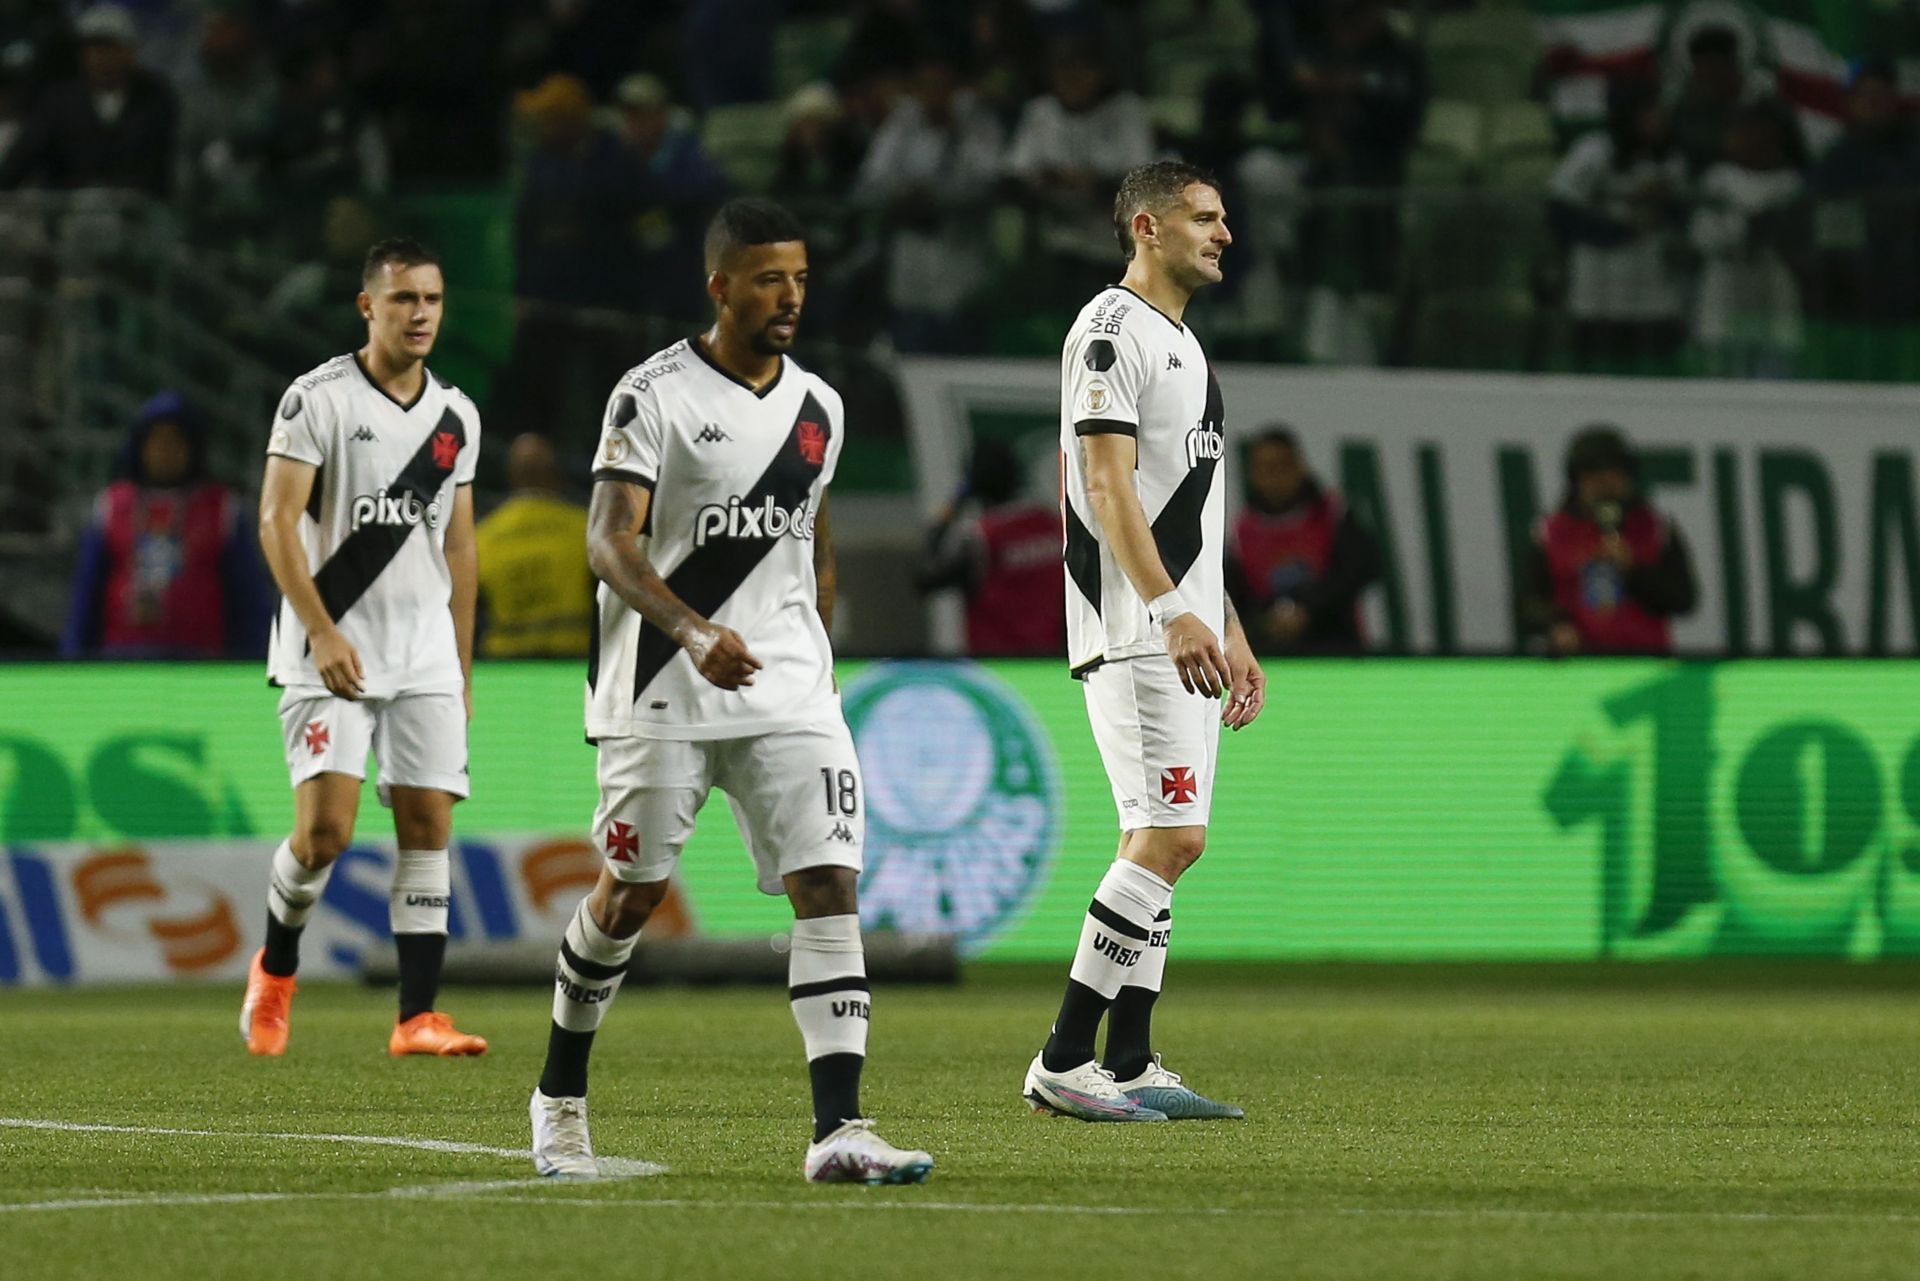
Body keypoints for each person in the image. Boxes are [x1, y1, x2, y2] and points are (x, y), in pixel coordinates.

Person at [527, 199, 933, 1185]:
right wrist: (693, 628)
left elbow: (814, 541)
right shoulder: (652, 395)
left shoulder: (821, 406)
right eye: (767, 279)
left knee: (829, 884)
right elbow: (607, 540)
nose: (789, 297)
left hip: (788, 690)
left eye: (798, 278)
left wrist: (814, 651)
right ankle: (558, 1099)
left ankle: (838, 1130)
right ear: (719, 286)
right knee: (631, 898)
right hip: (664, 681)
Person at [1025, 160, 1264, 1123]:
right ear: (1147, 227)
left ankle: (1129, 1058)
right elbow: (1105, 485)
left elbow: (1187, 510)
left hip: (1182, 627)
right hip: (1136, 631)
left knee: (1159, 844)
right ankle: (1062, 1058)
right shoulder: (1111, 331)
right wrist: (1169, 613)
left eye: (1224, 218)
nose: (1224, 233)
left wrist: (1231, 626)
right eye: (1204, 218)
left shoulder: (1185, 346)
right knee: (1171, 838)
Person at [241, 237, 488, 1059]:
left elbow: (458, 549)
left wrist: (459, 666)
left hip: (421, 651)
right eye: (404, 299)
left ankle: (417, 1015)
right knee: (325, 837)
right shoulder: (317, 400)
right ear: (368, 307)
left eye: (433, 300)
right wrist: (319, 628)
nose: (420, 314)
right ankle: (275, 968)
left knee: (428, 826)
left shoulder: (457, 418)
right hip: (330, 643)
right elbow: (277, 521)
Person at [63, 391, 271, 659]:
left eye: (176, 442)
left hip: (202, 665)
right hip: (120, 662)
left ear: (193, 448)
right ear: (140, 447)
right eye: (156, 441)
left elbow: (248, 601)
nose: (165, 451)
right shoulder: (111, 506)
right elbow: (86, 596)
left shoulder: (222, 510)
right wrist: (71, 660)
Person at [852, 47, 1005, 352]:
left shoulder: (978, 125)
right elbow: (867, 186)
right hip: (911, 279)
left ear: (956, 89)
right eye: (925, 86)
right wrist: (902, 194)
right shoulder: (902, 125)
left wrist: (935, 195)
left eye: (942, 86)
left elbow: (989, 182)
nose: (934, 94)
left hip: (963, 276)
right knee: (914, 368)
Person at [1546, 77, 1689, 373]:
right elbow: (1559, 211)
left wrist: (1666, 205)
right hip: (1598, 287)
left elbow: (1686, 217)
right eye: (1652, 111)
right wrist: (1621, 232)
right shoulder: (1594, 151)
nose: (1660, 119)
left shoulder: (1672, 160)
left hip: (1654, 291)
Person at [1521, 424, 1698, 656]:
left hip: (1646, 664)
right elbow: (1527, 603)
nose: (1605, 484)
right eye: (1594, 474)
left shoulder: (1656, 528)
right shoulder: (1550, 533)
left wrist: (1634, 570)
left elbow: (1684, 599)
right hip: (1578, 666)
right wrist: (1555, 624)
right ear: (1578, 480)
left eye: (1614, 473)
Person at [1005, 39, 1155, 311]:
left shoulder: (1125, 110)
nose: (1072, 79)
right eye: (1064, 70)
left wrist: (1091, 184)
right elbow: (1014, 178)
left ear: (1100, 72)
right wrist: (1052, 182)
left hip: (1112, 249)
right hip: (1056, 242)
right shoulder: (1041, 112)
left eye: (1081, 70)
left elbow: (1141, 184)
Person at [1225, 426, 1378, 654]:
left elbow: (1362, 570)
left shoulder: (1334, 516)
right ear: (1252, 473)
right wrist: (1266, 620)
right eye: (1265, 468)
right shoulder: (1240, 531)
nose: (1273, 477)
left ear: (1299, 466)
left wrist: (1308, 609)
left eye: (1281, 466)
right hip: (1271, 655)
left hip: (1338, 649)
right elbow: (1235, 597)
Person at [0, 4, 176, 195]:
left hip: (137, 212)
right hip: (71, 212)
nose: (100, 57)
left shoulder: (155, 98)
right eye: (92, 48)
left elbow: (164, 162)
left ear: (129, 52)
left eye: (108, 47)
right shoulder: (60, 102)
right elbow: (25, 155)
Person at [914, 437, 1064, 656]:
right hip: (1051, 663)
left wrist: (954, 505)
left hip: (996, 666)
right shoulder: (1051, 526)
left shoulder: (981, 538)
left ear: (972, 484)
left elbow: (925, 579)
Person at [1689, 104, 1806, 378]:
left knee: (1775, 370)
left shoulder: (1791, 183)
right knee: (1719, 375)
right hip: (1725, 289)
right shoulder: (1717, 179)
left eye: (1760, 133)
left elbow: (1800, 241)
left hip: (1774, 290)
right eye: (1742, 132)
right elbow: (1702, 236)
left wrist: (1771, 229)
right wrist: (1746, 232)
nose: (1748, 140)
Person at [474, 433, 593, 659]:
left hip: (504, 662)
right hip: (572, 655)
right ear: (556, 473)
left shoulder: (483, 536)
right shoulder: (584, 527)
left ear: (511, 476)